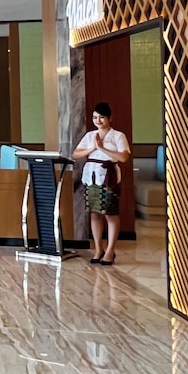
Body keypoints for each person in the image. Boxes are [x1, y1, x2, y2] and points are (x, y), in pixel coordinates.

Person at [72, 101, 131, 265]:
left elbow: (124, 157)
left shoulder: (118, 136)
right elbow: (76, 154)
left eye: (101, 117)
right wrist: (93, 148)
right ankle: (98, 249)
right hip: (91, 177)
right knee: (94, 213)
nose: (98, 120)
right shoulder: (90, 135)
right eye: (95, 117)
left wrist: (102, 148)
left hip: (108, 177)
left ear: (110, 118)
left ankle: (110, 250)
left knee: (110, 214)